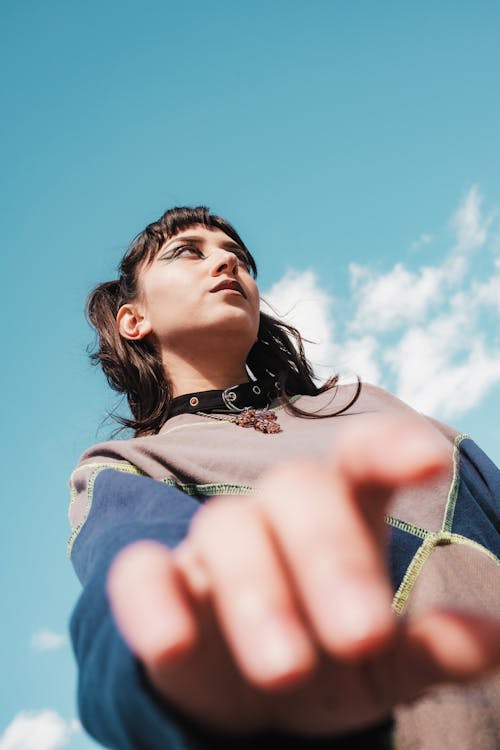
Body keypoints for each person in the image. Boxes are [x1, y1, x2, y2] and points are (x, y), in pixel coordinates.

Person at [69, 206, 500, 749]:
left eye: (239, 257)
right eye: (189, 252)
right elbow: (123, 606)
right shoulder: (132, 467)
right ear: (134, 319)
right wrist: (173, 687)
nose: (226, 260)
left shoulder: (375, 406)